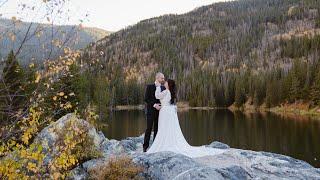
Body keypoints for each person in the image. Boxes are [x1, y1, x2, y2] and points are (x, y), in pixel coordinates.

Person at [146, 79, 225, 158]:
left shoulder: (166, 91)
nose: (165, 83)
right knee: (167, 128)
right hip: (167, 111)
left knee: (164, 127)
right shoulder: (169, 92)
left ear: (168, 85)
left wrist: (158, 87)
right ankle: (168, 142)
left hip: (165, 111)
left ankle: (165, 143)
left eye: (166, 82)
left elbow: (157, 95)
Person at [143, 72, 165, 152]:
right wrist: (154, 105)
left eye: (163, 78)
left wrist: (163, 106)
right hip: (150, 111)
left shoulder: (163, 88)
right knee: (148, 128)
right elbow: (146, 99)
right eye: (162, 78)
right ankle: (145, 147)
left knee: (157, 129)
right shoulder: (149, 86)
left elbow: (164, 99)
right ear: (157, 78)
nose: (163, 79)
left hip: (159, 112)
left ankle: (155, 147)